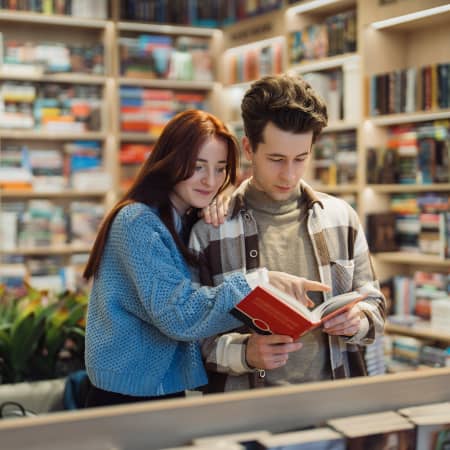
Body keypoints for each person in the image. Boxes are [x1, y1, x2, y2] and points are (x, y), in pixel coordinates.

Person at [82, 109, 321, 407]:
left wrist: (223, 199)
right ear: (170, 161)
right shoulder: (137, 222)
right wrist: (259, 281)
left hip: (163, 391)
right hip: (125, 396)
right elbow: (179, 315)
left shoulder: (186, 219)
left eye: (220, 168)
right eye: (198, 167)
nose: (210, 180)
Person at [189, 74, 387, 393]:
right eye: (276, 159)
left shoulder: (342, 219)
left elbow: (375, 306)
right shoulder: (210, 230)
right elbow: (190, 338)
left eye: (301, 159)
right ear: (248, 148)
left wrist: (358, 321)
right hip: (244, 417)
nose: (289, 174)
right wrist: (244, 352)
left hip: (333, 405)